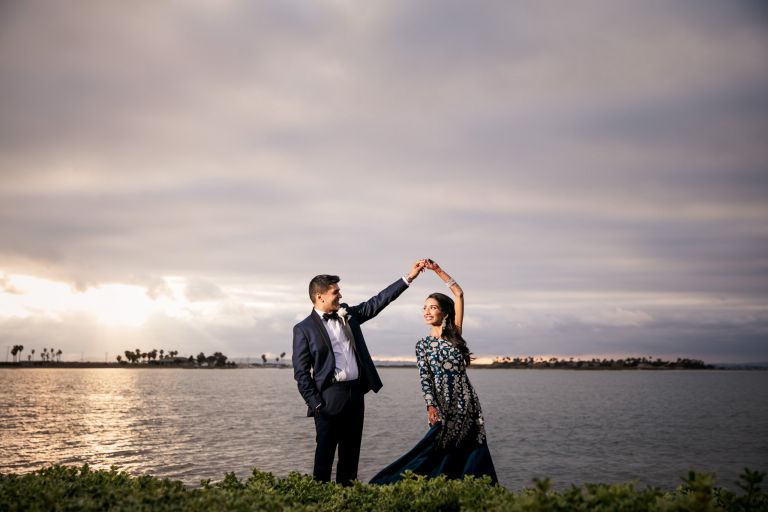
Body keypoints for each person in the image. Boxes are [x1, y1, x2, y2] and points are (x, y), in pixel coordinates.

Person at [292, 260, 427, 485]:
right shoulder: (303, 329)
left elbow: (377, 302)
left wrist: (408, 278)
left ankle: (348, 499)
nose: (340, 296)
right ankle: (318, 502)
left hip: (355, 394)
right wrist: (316, 404)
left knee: (351, 455)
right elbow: (301, 373)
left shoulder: (349, 315)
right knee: (324, 457)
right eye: (336, 292)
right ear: (320, 296)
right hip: (328, 399)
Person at [370, 259, 498, 484]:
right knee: (437, 447)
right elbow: (425, 378)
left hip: (466, 401)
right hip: (440, 402)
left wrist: (437, 271)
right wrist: (430, 405)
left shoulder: (454, 335)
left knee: (473, 445)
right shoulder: (422, 345)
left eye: (433, 307)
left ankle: (477, 489)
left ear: (445, 312)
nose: (427, 311)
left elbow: (459, 294)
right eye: (424, 308)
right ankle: (412, 485)